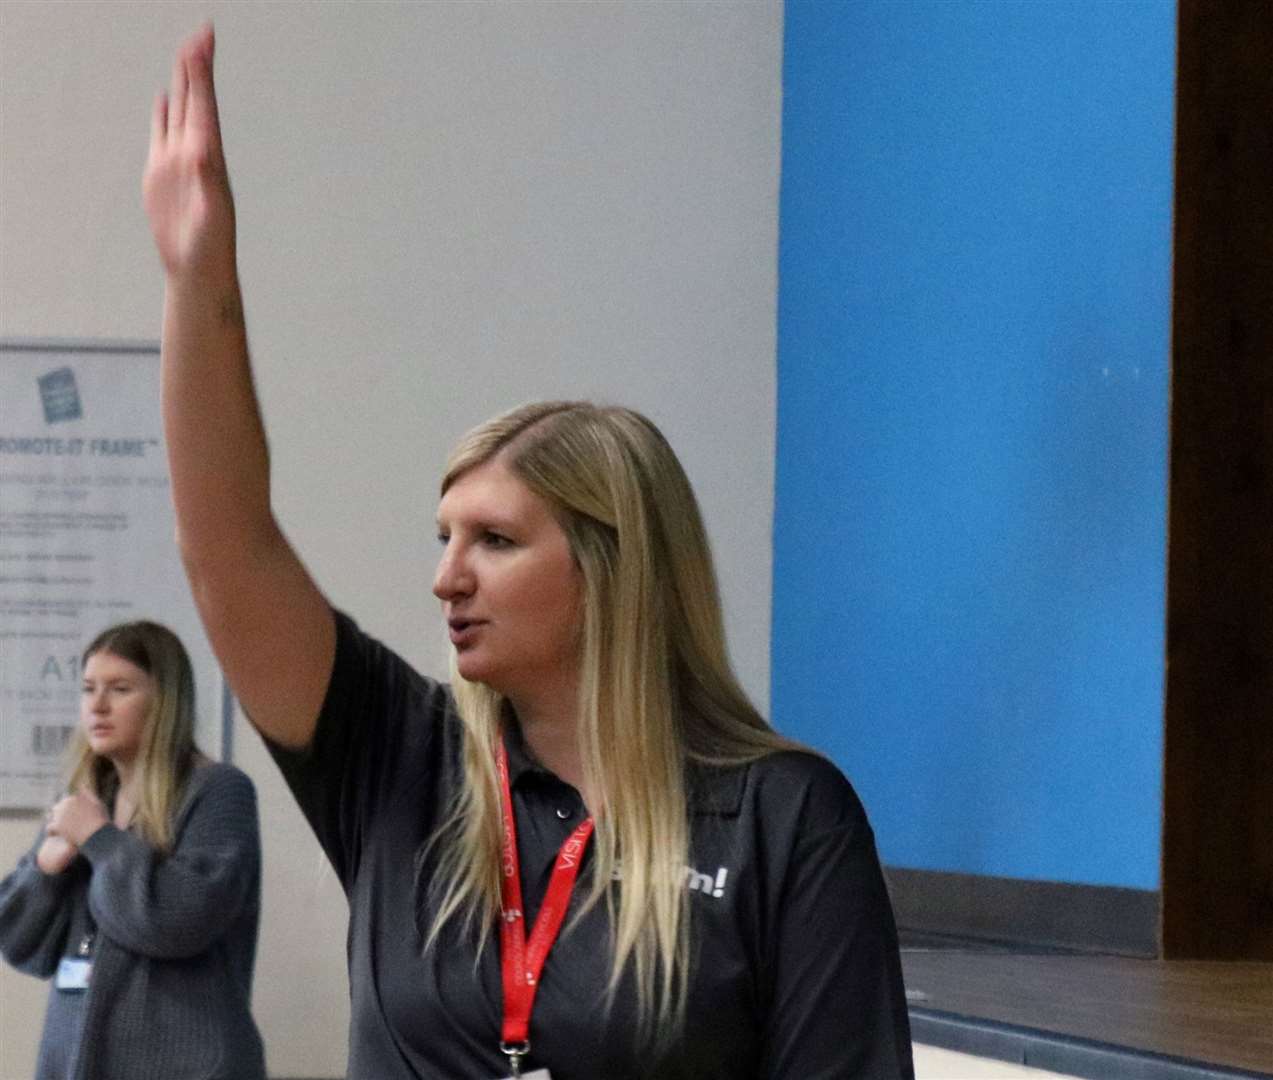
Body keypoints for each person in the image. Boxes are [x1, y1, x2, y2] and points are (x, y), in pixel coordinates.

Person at [143, 24, 914, 1080]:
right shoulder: (401, 762)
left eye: (496, 541)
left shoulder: (782, 818)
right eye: (443, 537)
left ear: (613, 570)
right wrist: (199, 281)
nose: (444, 576)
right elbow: (227, 549)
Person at [0, 620, 266, 1080]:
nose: (97, 707)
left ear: (164, 701)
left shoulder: (219, 791)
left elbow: (176, 922)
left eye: (119, 689)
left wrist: (100, 841)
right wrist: (44, 870)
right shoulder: (84, 798)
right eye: (88, 689)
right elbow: (21, 944)